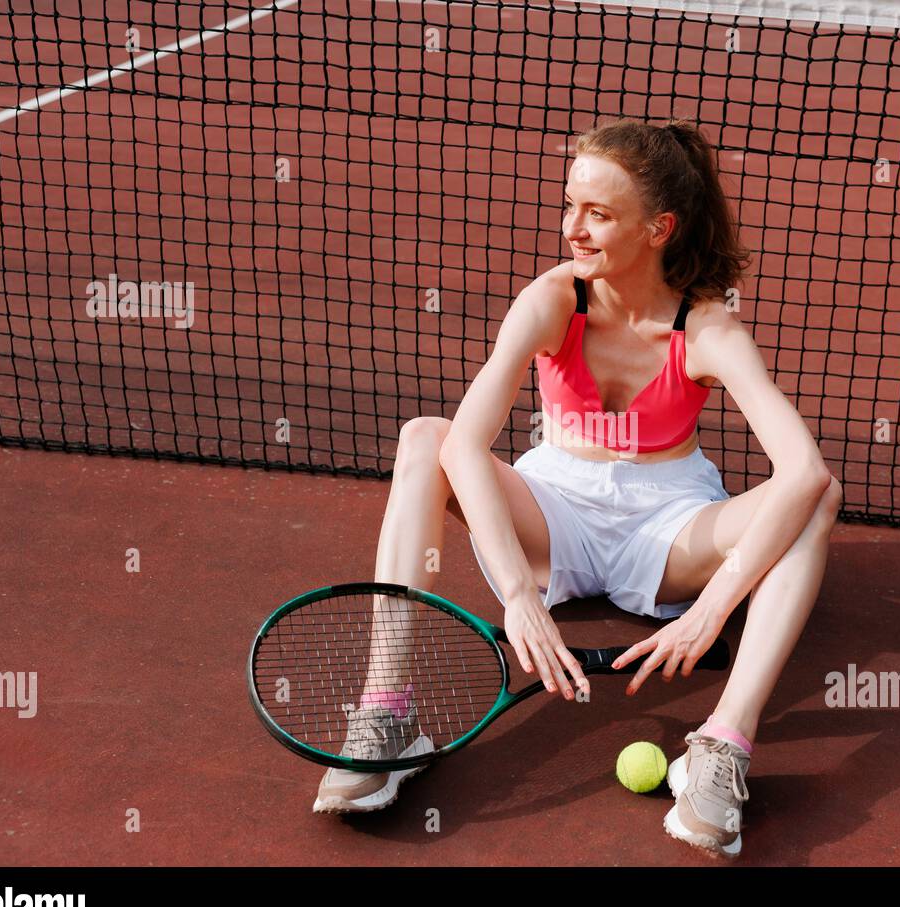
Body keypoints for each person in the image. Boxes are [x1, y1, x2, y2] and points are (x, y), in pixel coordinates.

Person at [315, 117, 841, 858]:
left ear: (659, 227)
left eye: (598, 213)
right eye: (571, 206)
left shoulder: (710, 328)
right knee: (422, 438)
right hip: (554, 509)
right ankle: (386, 712)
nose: (573, 228)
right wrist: (519, 595)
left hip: (669, 527)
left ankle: (721, 744)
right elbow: (465, 443)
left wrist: (713, 609)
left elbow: (804, 471)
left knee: (818, 497)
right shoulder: (552, 300)